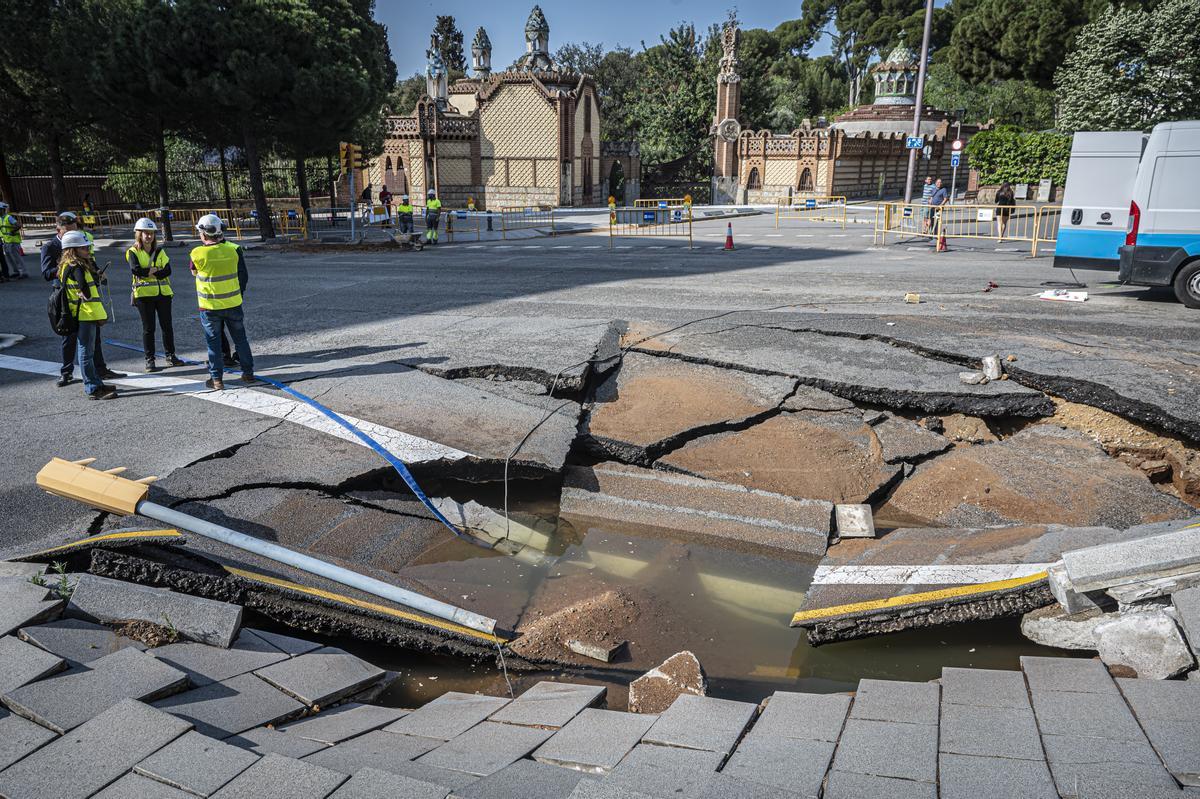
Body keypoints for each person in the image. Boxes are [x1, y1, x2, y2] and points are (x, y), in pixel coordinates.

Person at [41, 211, 122, 387]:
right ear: (58, 229)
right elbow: (46, 273)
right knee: (70, 338)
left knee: (93, 339)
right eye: (68, 231)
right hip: (64, 297)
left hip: (86, 302)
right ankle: (67, 372)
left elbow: (90, 264)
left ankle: (101, 370)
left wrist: (97, 273)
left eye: (74, 229)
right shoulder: (51, 247)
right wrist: (66, 268)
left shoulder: (80, 244)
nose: (73, 234)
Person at [190, 213, 254, 391]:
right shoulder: (234, 249)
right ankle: (248, 373)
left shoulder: (197, 253)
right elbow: (242, 275)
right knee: (241, 340)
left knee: (214, 343)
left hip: (210, 306)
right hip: (233, 302)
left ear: (203, 234)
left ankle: (216, 379)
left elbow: (194, 271)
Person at [58, 230, 117, 399]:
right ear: (73, 249)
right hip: (85, 314)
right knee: (86, 352)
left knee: (88, 352)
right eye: (83, 248)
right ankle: (92, 387)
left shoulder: (68, 265)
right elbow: (85, 289)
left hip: (84, 314)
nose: (87, 250)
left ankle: (96, 383)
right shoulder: (76, 266)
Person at [127, 217, 184, 372]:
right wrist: (154, 271)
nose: (149, 236)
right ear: (138, 234)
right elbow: (136, 270)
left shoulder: (160, 250)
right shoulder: (133, 252)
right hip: (144, 296)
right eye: (145, 233)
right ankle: (149, 360)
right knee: (148, 328)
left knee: (167, 327)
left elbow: (168, 270)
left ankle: (171, 356)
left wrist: (151, 272)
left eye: (151, 233)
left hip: (163, 294)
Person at [0, 201, 27, 280]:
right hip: (5, 241)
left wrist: (12, 232)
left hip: (13, 241)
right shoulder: (0, 219)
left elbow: (18, 225)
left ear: (2, 210)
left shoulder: (8, 217)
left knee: (17, 258)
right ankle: (16, 272)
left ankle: (23, 272)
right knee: (10, 258)